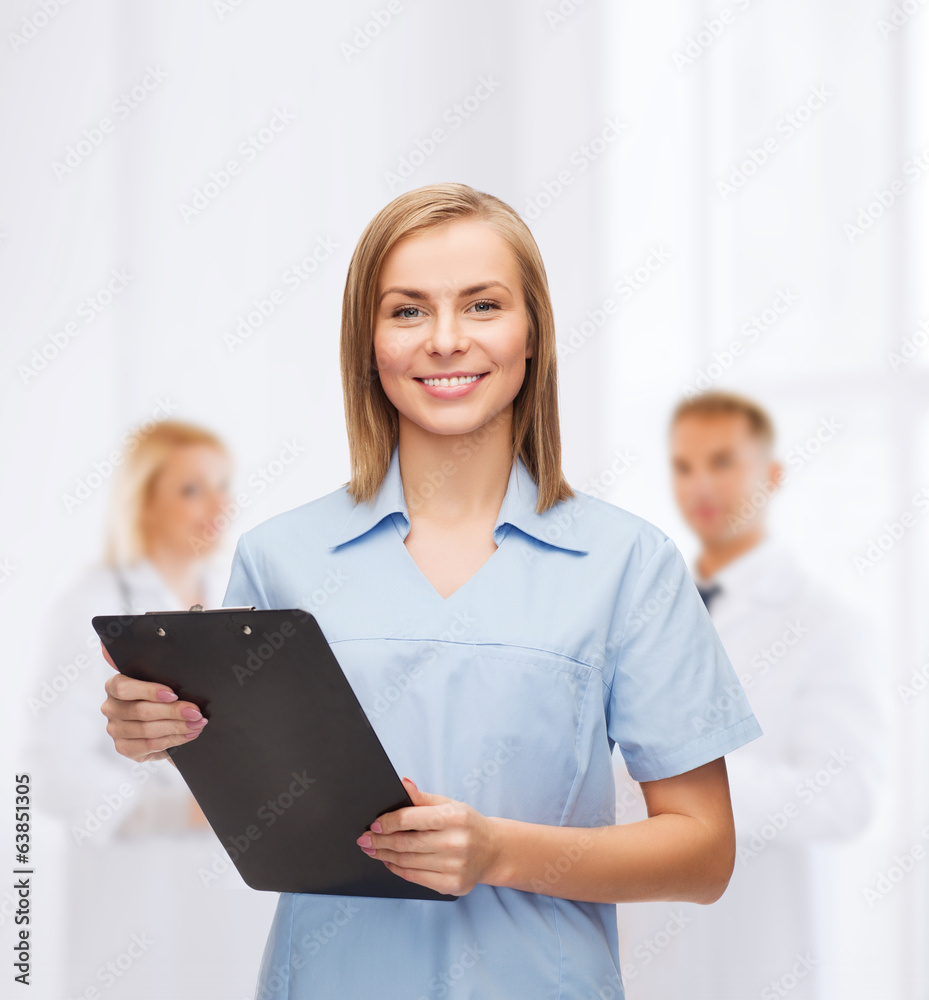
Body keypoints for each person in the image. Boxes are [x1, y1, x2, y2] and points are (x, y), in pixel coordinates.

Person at [98, 182, 762, 1000]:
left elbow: (704, 856)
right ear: (367, 343)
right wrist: (157, 731)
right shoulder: (280, 558)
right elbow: (260, 797)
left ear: (532, 337)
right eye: (407, 311)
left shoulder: (628, 564)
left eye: (482, 305)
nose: (445, 340)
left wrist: (498, 853)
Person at [614, 391, 887, 999]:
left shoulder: (826, 624)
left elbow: (849, 796)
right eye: (684, 467)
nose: (700, 486)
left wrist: (691, 774)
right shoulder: (646, 611)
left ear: (772, 474)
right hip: (644, 960)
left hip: (758, 963)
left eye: (722, 462)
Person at [23, 420, 277, 999]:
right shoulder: (94, 601)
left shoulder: (238, 602)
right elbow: (55, 767)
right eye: (191, 490)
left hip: (226, 892)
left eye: (222, 485)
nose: (217, 505)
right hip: (131, 891)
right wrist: (174, 813)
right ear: (143, 503)